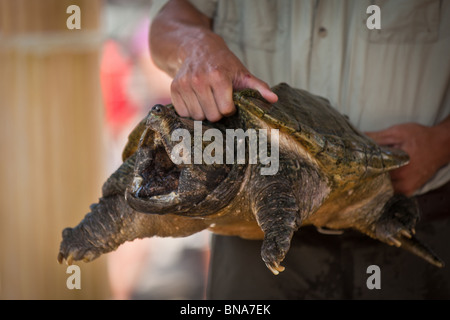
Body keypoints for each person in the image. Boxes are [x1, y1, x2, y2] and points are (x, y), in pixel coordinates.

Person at [149, 0, 450, 298]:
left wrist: (443, 141)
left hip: (410, 215)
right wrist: (195, 45)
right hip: (254, 230)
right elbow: (170, 14)